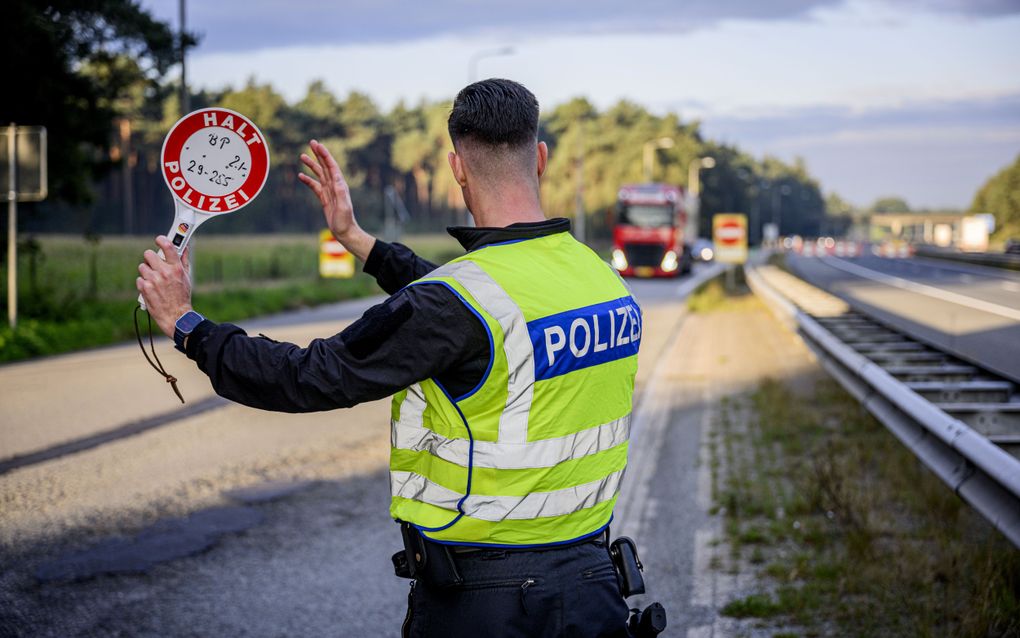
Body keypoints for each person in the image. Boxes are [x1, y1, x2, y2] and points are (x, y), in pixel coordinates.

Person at [137, 79, 644, 638]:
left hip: (489, 604)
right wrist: (357, 239)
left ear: (456, 168)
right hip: (593, 590)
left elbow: (306, 377)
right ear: (541, 158)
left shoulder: (458, 304)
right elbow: (479, 309)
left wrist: (188, 326)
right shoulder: (601, 279)